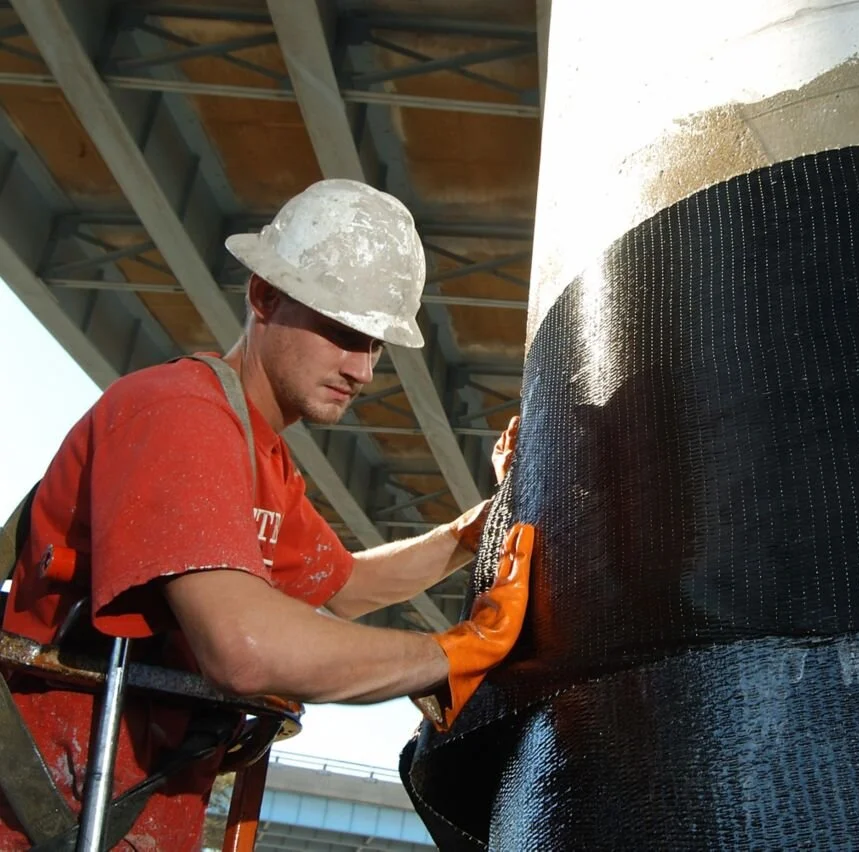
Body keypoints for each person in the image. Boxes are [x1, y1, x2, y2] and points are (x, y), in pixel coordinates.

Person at [0, 179, 532, 850]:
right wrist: (452, 655)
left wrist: (472, 531)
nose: (363, 369)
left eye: (374, 345)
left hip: (112, 816)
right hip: (45, 817)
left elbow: (346, 588)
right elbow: (242, 649)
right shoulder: (180, 415)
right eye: (343, 333)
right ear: (264, 296)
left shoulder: (257, 456)